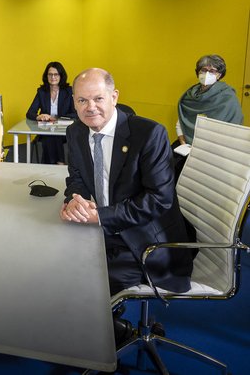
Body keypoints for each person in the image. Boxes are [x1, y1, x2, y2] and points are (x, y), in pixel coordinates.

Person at [60, 68, 194, 343]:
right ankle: (100, 325)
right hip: (108, 230)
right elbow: (76, 178)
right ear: (73, 101)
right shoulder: (75, 132)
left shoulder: (149, 133)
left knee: (78, 276)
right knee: (53, 254)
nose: (90, 107)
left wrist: (99, 217)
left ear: (114, 96)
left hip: (148, 243)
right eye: (82, 100)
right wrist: (76, 201)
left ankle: (102, 343)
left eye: (98, 98)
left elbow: (158, 200)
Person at [26, 61, 76, 164]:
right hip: (46, 129)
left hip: (64, 130)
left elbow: (75, 113)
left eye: (56, 74)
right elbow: (30, 113)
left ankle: (48, 164)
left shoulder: (68, 91)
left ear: (61, 76)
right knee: (50, 135)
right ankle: (60, 163)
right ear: (46, 76)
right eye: (50, 74)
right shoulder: (42, 92)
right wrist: (38, 117)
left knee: (54, 135)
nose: (53, 77)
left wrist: (57, 118)